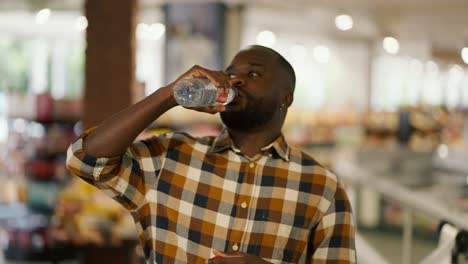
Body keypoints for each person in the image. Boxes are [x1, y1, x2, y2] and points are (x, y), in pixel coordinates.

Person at [66, 45, 356, 263]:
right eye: (231, 74)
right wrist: (170, 94)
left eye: (253, 73)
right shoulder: (171, 157)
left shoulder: (322, 187)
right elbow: (85, 159)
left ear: (286, 97)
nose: (237, 80)